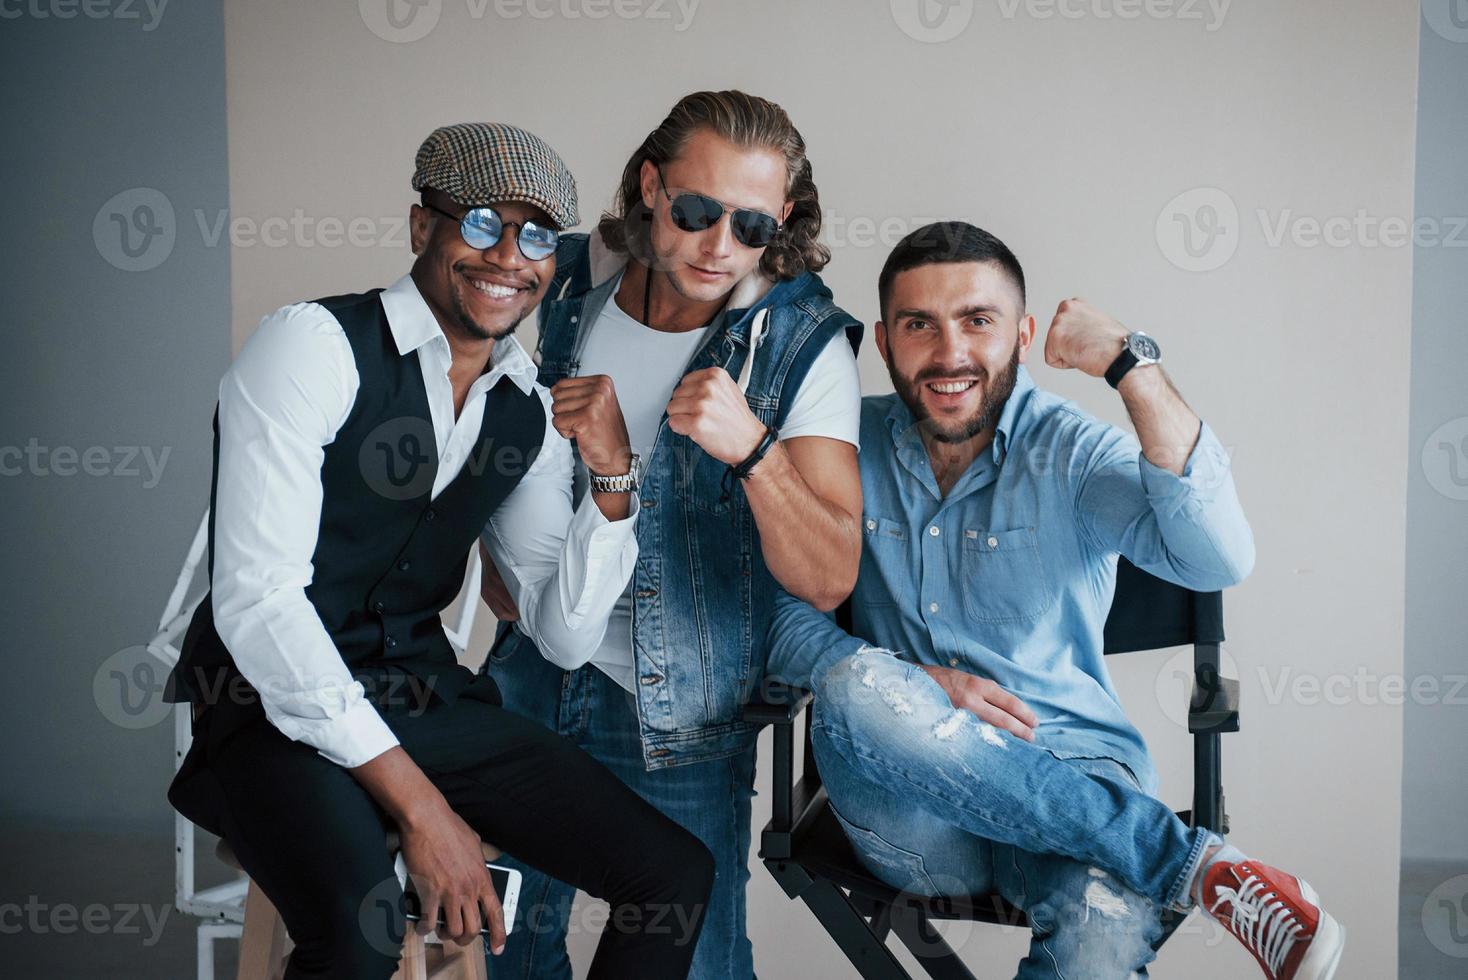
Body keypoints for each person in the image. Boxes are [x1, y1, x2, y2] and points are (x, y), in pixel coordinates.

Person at [163, 122, 713, 980]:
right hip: (265, 709)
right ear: (424, 228)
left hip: (419, 699)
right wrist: (423, 810)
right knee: (362, 929)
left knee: (672, 873)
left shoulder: (524, 407)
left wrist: (611, 479)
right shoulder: (312, 346)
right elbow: (259, 604)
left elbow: (560, 635)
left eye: (537, 236)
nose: (510, 257)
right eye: (483, 223)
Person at [768, 221, 1344, 980]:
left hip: (1073, 771)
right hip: (914, 818)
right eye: (920, 325)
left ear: (1024, 334)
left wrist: (1127, 363)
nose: (950, 353)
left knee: (1100, 938)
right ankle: (1193, 865)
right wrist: (917, 688)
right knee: (853, 683)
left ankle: (1165, 859)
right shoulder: (843, 444)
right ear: (883, 341)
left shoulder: (1071, 451)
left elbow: (1218, 556)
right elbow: (777, 624)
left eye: (978, 321)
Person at [477, 90, 864, 978]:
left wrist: (756, 453)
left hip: (678, 712)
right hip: (533, 671)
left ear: (786, 221)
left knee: (691, 962)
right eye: (696, 211)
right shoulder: (568, 282)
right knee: (502, 948)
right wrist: (487, 552)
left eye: (753, 225)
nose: (719, 245)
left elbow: (830, 575)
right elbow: (490, 425)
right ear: (651, 185)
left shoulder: (803, 346)